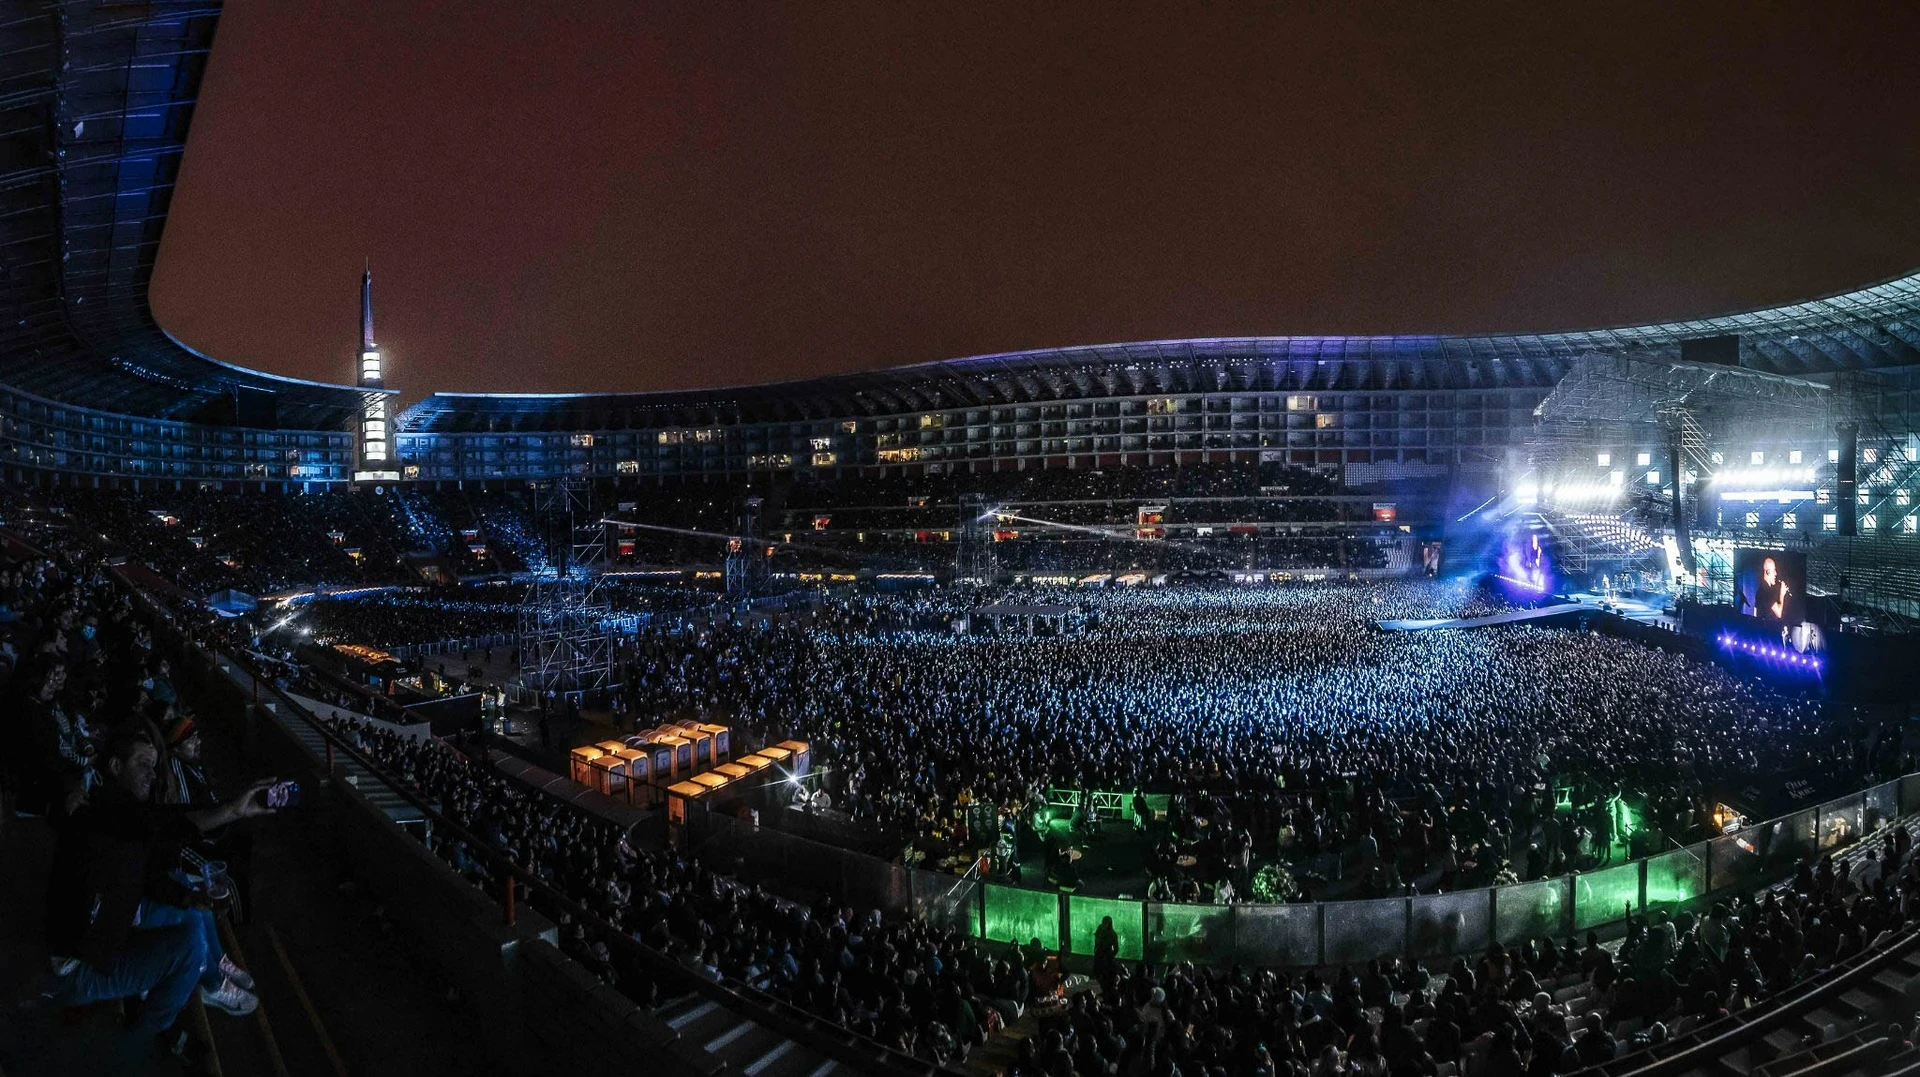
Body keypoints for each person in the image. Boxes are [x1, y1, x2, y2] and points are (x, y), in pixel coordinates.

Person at [42, 731, 280, 1040]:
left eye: (154, 766)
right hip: (80, 969)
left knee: (189, 902)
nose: (152, 775)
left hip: (105, 934)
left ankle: (210, 972)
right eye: (142, 764)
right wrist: (231, 811)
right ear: (115, 766)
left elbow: (145, 867)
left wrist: (187, 898)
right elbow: (163, 825)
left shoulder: (112, 812)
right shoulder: (102, 819)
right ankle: (143, 1038)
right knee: (190, 945)